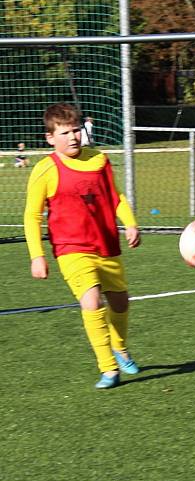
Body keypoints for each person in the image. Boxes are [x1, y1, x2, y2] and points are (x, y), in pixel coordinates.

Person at [24, 103, 141, 389]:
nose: (73, 137)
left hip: (106, 245)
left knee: (120, 302)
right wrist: (37, 256)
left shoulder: (99, 160)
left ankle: (120, 347)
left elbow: (116, 197)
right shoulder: (45, 169)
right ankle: (108, 369)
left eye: (76, 130)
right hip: (71, 248)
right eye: (65, 133)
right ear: (50, 138)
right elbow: (32, 214)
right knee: (91, 301)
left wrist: (130, 222)